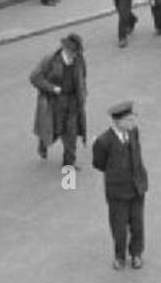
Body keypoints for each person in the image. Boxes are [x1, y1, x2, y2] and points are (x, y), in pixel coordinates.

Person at [91, 101, 148, 270]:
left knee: (137, 224)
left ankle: (136, 254)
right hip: (117, 192)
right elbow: (99, 164)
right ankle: (120, 257)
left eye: (134, 118)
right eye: (129, 120)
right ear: (117, 122)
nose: (133, 123)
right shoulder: (103, 142)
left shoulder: (133, 132)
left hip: (137, 187)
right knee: (119, 226)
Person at [31, 33, 88, 169]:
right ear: (66, 49)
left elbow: (83, 77)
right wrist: (52, 88)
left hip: (73, 102)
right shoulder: (50, 60)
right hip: (54, 103)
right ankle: (43, 144)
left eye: (77, 52)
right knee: (53, 130)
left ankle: (68, 165)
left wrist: (83, 93)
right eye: (73, 52)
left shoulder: (79, 59)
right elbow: (35, 78)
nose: (75, 55)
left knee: (71, 134)